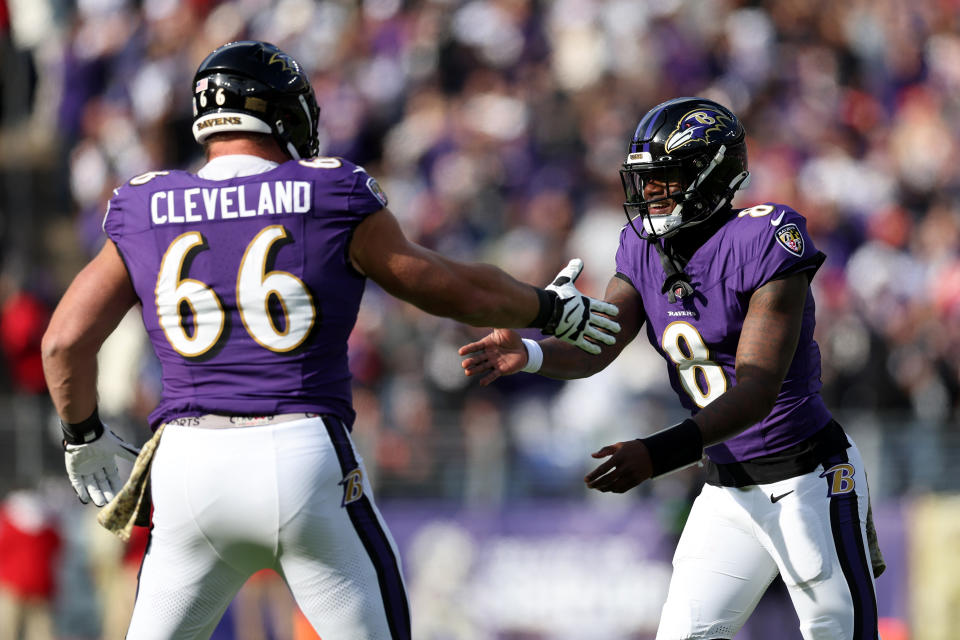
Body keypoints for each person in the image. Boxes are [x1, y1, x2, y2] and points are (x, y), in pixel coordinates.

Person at [40, 40, 620, 640]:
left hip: (187, 465)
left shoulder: (146, 200)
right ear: (282, 112)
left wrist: (82, 435)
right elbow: (448, 289)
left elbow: (63, 344)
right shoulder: (325, 189)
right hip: (298, 452)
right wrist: (548, 308)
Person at [460, 96, 882, 639]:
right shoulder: (641, 246)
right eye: (645, 181)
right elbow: (601, 343)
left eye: (666, 179)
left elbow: (755, 390)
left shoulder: (765, 240)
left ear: (711, 176)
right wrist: (534, 352)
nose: (649, 194)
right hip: (727, 488)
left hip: (809, 478)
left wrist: (658, 454)